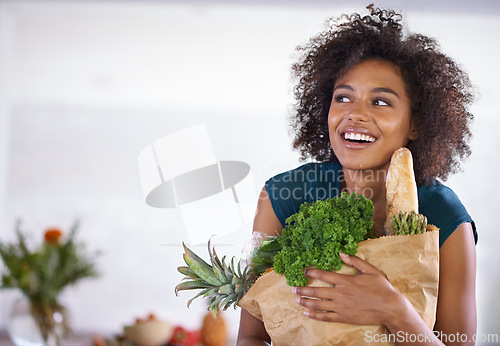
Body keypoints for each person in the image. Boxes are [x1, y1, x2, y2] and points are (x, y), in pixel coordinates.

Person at [237, 5, 477, 346]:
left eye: (380, 102)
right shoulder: (284, 196)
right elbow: (251, 337)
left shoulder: (445, 216)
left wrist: (394, 310)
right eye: (343, 97)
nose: (355, 114)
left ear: (416, 124)